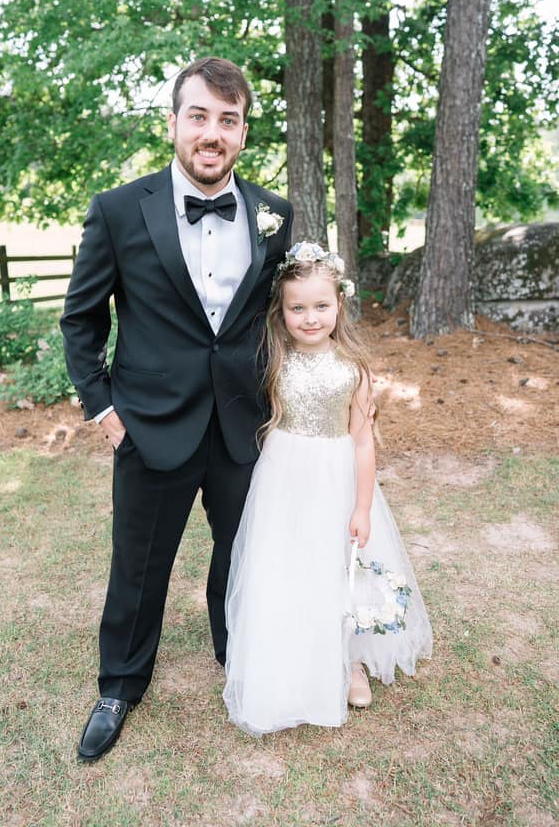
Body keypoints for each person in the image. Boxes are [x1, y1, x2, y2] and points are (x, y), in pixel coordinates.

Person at [60, 56, 293, 760]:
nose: (212, 133)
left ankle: (239, 655)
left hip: (242, 421)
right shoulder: (117, 209)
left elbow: (286, 317)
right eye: (199, 116)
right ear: (173, 123)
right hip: (149, 423)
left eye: (228, 120)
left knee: (244, 551)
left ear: (243, 132)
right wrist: (103, 410)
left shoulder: (275, 215)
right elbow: (81, 320)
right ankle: (119, 686)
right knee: (138, 564)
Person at [223, 241, 432, 736]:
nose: (310, 318)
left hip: (334, 477)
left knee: (337, 565)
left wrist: (362, 507)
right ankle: (289, 649)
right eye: (297, 308)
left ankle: (349, 660)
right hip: (282, 474)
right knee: (287, 559)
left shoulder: (352, 368)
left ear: (340, 303)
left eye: (321, 306)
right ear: (282, 311)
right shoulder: (273, 357)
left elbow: (362, 443)